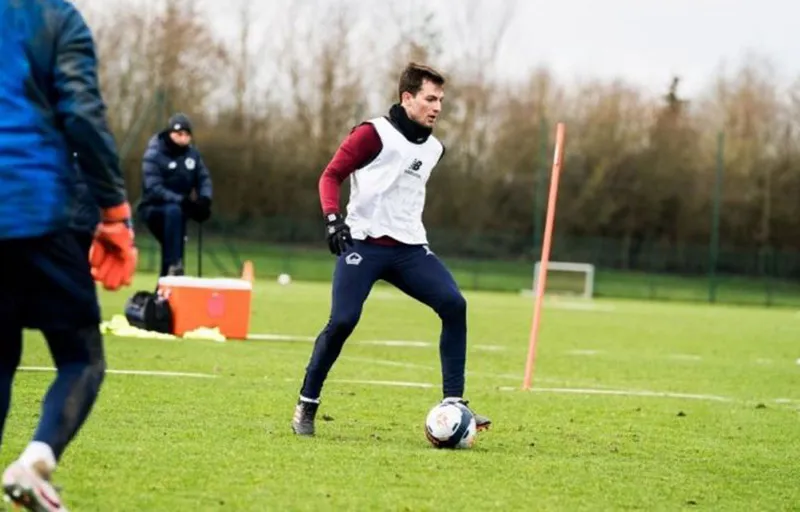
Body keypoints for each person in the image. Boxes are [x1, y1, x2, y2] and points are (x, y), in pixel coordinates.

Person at [292, 63, 491, 436]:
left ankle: (454, 402)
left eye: (441, 100)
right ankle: (306, 405)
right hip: (363, 245)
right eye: (430, 99)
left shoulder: (435, 148)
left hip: (410, 250)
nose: (438, 107)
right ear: (407, 98)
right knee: (343, 322)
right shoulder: (372, 134)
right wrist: (333, 218)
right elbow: (330, 176)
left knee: (454, 304)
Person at [0, 0, 137, 509]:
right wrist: (114, 210)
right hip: (32, 206)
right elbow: (81, 113)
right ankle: (34, 462)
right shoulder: (56, 17)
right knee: (80, 359)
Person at [136, 113, 213, 276]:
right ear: (169, 134)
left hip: (178, 211)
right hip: (153, 209)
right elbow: (153, 187)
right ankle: (174, 267)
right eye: (178, 134)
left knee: (173, 244)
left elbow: (203, 178)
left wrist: (204, 199)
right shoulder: (154, 154)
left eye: (186, 135)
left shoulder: (193, 155)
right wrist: (181, 201)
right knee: (173, 236)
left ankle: (168, 282)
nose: (182, 138)